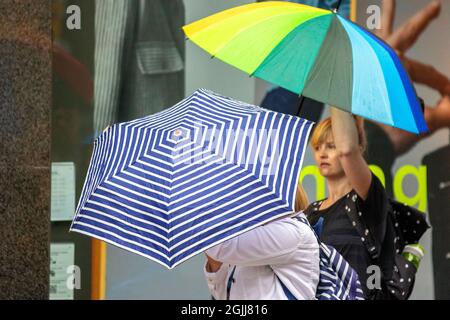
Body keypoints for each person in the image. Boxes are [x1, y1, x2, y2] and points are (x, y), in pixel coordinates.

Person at [305, 107, 393, 299]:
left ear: (359, 148)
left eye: (331, 146)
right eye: (318, 147)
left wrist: (337, 89)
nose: (322, 154)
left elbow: (348, 151)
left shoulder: (366, 200)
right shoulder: (311, 212)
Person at [203, 185, 320, 300]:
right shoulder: (251, 233)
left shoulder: (293, 231)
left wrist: (201, 212)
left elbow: (222, 248)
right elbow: (225, 294)